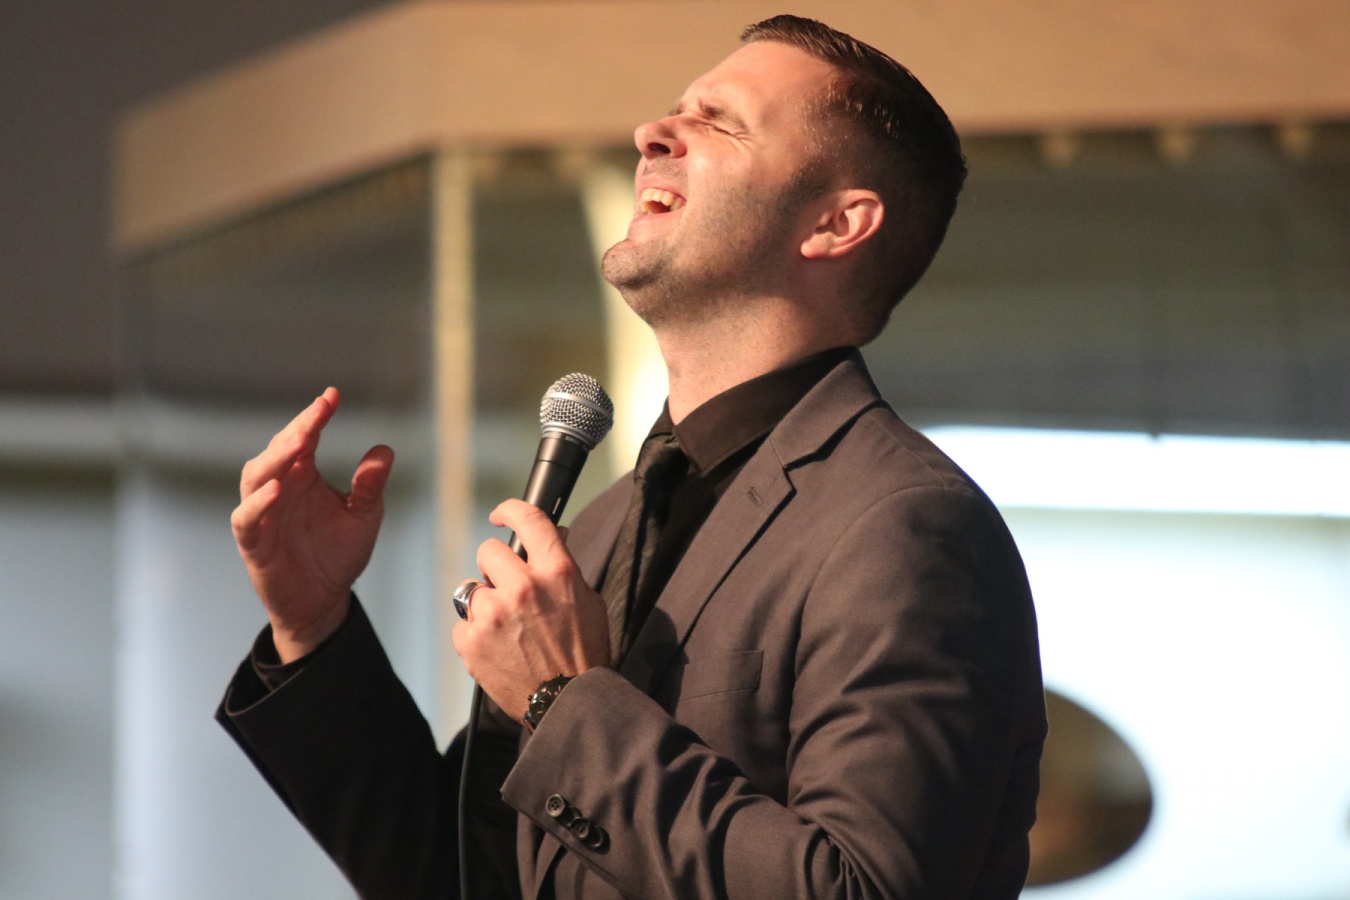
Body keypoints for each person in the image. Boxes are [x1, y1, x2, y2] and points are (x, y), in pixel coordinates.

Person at [219, 14, 1046, 900]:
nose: (653, 132)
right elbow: (467, 877)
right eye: (675, 110)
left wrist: (560, 702)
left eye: (719, 122)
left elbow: (860, 889)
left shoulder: (905, 526)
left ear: (836, 224)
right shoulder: (607, 521)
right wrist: (312, 626)